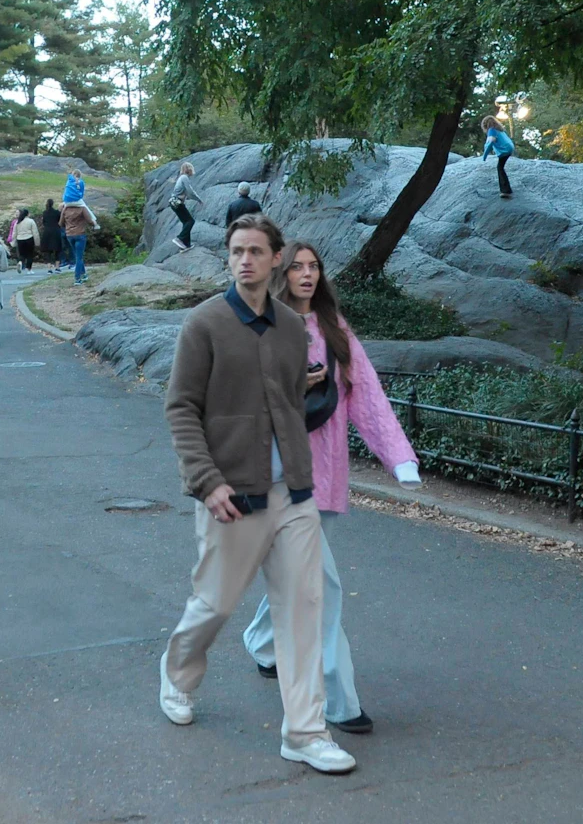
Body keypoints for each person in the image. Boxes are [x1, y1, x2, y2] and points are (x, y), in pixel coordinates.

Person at [158, 213, 355, 775]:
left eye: (255, 251)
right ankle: (177, 675)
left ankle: (305, 732)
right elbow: (181, 408)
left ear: (275, 261)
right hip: (231, 497)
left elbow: (291, 402)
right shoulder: (204, 324)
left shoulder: (295, 329)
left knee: (303, 609)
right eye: (236, 250)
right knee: (215, 604)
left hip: (293, 495)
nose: (245, 259)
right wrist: (207, 480)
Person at [241, 241, 422, 737]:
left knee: (299, 574)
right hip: (275, 476)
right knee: (323, 585)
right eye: (296, 266)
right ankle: (339, 699)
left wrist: (399, 457)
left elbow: (368, 398)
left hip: (323, 476)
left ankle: (261, 642)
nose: (305, 274)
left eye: (313, 266)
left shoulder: (336, 331)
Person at [61, 198, 97, 285]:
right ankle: (77, 279)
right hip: (80, 234)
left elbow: (61, 223)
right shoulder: (82, 208)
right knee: (79, 257)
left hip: (69, 235)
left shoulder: (65, 209)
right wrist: (94, 224)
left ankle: (84, 274)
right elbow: (89, 221)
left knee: (77, 255)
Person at [169, 161, 201, 250]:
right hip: (177, 202)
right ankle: (179, 238)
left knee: (186, 222)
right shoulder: (184, 178)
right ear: (189, 169)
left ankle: (186, 245)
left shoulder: (181, 178)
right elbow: (190, 192)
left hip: (174, 202)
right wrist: (199, 200)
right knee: (191, 221)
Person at [480, 116, 515, 198]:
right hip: (509, 148)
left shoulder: (491, 130)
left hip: (504, 150)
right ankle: (507, 189)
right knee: (500, 167)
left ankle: (506, 190)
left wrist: (484, 156)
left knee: (500, 168)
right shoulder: (499, 130)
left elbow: (489, 143)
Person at [40, 198, 64, 272]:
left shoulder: (45, 213)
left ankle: (49, 268)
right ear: (53, 204)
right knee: (57, 250)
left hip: (47, 232)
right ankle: (57, 267)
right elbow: (61, 221)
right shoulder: (57, 213)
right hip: (56, 232)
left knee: (48, 251)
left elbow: (43, 222)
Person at [13, 208, 38, 273]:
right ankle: (29, 269)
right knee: (30, 254)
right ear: (27, 214)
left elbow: (14, 232)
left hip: (20, 239)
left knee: (22, 254)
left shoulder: (18, 222)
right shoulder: (31, 221)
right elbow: (35, 232)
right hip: (29, 238)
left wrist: (14, 241)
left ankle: (20, 262)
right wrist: (37, 241)